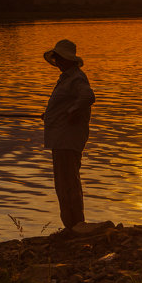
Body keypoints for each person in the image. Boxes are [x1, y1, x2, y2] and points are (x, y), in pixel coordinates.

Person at [42, 39, 95, 232]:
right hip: (60, 139)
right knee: (64, 184)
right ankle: (72, 225)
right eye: (56, 58)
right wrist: (51, 114)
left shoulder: (76, 79)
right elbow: (66, 104)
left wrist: (72, 110)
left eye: (59, 58)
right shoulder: (67, 79)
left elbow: (88, 96)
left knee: (68, 184)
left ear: (68, 59)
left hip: (67, 140)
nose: (57, 61)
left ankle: (75, 225)